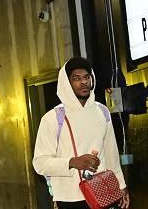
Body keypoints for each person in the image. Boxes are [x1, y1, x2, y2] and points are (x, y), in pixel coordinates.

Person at [33, 56, 130, 209]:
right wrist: (72, 162)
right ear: (67, 83)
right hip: (69, 198)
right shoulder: (53, 118)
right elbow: (39, 163)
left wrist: (121, 185)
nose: (83, 82)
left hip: (103, 193)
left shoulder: (102, 111)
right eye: (76, 78)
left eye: (86, 77)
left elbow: (111, 154)